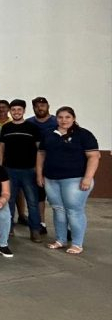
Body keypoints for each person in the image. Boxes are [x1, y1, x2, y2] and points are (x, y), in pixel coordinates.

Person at [37, 107, 100, 255]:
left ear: (73, 118)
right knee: (58, 209)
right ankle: (61, 240)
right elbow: (41, 155)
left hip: (75, 179)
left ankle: (77, 244)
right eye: (60, 117)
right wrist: (40, 175)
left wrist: (87, 178)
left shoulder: (84, 134)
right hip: (51, 179)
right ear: (56, 118)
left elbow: (94, 157)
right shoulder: (49, 134)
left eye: (67, 117)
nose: (63, 120)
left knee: (74, 211)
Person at [0, 99, 44, 243]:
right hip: (9, 170)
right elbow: (1, 147)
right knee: (9, 201)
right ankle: (9, 228)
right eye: (13, 110)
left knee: (32, 202)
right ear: (10, 111)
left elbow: (39, 149)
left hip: (29, 170)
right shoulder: (6, 127)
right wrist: (0, 166)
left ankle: (35, 230)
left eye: (19, 109)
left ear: (24, 111)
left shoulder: (32, 127)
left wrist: (38, 168)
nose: (16, 112)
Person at [27, 96, 58, 232]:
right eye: (37, 106)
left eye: (43, 105)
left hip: (55, 165)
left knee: (58, 199)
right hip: (34, 165)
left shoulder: (57, 121)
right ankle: (41, 223)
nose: (40, 108)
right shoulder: (29, 123)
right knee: (38, 197)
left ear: (48, 106)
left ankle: (65, 227)